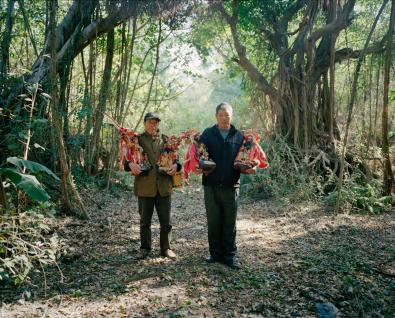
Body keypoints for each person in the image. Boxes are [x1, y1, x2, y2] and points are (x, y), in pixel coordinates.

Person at [199, 102, 256, 269]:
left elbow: (244, 158)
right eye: (221, 115)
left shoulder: (239, 136)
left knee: (229, 223)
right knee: (214, 221)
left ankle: (229, 256)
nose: (225, 118)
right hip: (211, 185)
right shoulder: (208, 134)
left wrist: (250, 168)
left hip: (232, 185)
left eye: (227, 115)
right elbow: (200, 155)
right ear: (216, 116)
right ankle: (215, 254)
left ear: (232, 116)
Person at [125, 112, 181, 259]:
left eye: (155, 122)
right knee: (145, 221)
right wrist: (129, 164)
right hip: (145, 187)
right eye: (150, 122)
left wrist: (176, 166)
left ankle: (166, 248)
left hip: (163, 187)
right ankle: (145, 248)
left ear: (158, 124)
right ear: (144, 123)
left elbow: (177, 160)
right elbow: (126, 160)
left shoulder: (166, 140)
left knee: (166, 221)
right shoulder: (136, 140)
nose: (153, 125)